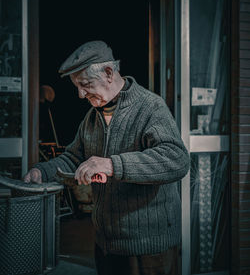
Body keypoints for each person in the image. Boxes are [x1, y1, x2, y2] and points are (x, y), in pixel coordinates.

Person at [24, 40, 190, 275]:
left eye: (84, 84)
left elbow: (177, 159)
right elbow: (73, 157)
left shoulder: (150, 107)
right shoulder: (92, 117)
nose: (81, 95)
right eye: (77, 87)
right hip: (106, 244)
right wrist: (42, 171)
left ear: (109, 73)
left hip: (148, 247)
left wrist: (113, 164)